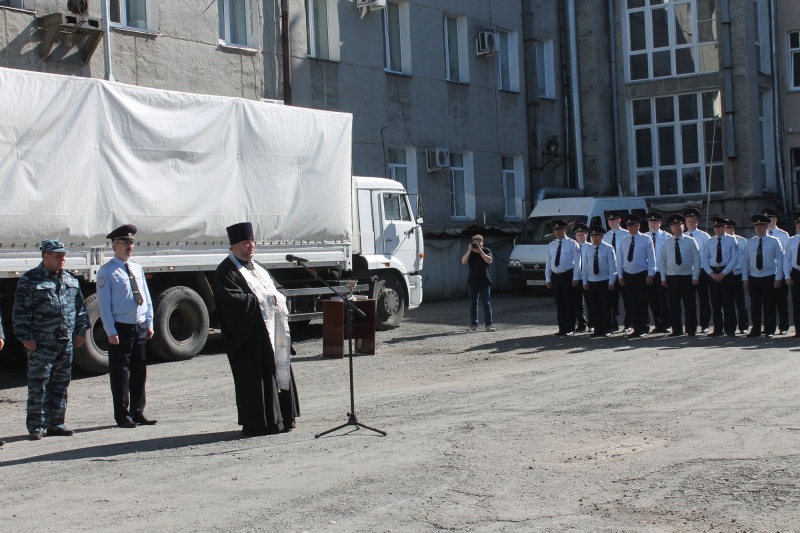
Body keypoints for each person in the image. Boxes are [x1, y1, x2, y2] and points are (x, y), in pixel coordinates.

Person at [213, 222, 300, 436]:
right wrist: (262, 300)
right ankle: (260, 424)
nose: (250, 246)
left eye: (252, 242)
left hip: (272, 333)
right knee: (256, 381)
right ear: (234, 246)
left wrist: (277, 298)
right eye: (245, 243)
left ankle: (283, 418)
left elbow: (276, 289)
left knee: (278, 372)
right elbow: (232, 301)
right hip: (250, 337)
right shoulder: (226, 271)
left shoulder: (257, 267)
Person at [13, 239, 89, 440]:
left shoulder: (71, 280)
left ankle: (56, 423)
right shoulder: (30, 280)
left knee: (61, 383)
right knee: (39, 384)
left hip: (65, 342)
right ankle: (37, 426)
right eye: (57, 255)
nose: (62, 259)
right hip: (41, 343)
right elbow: (20, 312)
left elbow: (80, 309)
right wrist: (25, 337)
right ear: (45, 256)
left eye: (63, 255)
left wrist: (81, 331)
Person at [96, 224, 156, 428]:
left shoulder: (137, 268)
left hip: (139, 325)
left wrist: (149, 322)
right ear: (115, 245)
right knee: (120, 373)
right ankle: (122, 415)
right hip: (121, 328)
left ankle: (138, 411)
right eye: (125, 243)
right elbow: (104, 305)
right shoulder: (107, 271)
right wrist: (110, 331)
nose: (130, 246)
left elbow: (146, 297)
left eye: (131, 242)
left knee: (139, 370)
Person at [742, 215, 784, 338]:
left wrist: (778, 278)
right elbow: (745, 261)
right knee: (755, 304)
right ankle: (756, 329)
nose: (759, 228)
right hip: (754, 277)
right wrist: (745, 278)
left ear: (766, 226)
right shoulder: (750, 242)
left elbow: (780, 261)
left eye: (761, 226)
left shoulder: (774, 241)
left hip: (769, 276)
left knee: (769, 304)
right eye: (756, 226)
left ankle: (769, 329)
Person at [659, 215, 701, 337]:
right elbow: (662, 261)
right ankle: (677, 330)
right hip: (671, 277)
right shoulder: (667, 242)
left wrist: (695, 276)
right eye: (674, 226)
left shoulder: (690, 241)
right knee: (673, 304)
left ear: (683, 227)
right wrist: (663, 277)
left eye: (679, 225)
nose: (677, 228)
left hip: (687, 276)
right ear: (671, 228)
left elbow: (697, 260)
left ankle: (691, 329)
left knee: (689, 304)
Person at [617, 214, 655, 338]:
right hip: (628, 275)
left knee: (642, 302)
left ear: (638, 225)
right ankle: (636, 327)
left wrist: (651, 273)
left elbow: (651, 258)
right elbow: (620, 259)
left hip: (641, 274)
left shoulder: (646, 239)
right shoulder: (624, 240)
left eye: (633, 225)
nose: (631, 228)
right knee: (631, 303)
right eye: (628, 225)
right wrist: (620, 276)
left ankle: (644, 327)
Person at [701, 217, 739, 337]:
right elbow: (705, 258)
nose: (717, 229)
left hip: (726, 273)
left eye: (720, 227)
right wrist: (711, 274)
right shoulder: (710, 241)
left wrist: (723, 273)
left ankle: (730, 329)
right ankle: (718, 329)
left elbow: (735, 258)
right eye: (715, 227)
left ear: (724, 227)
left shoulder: (732, 240)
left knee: (728, 303)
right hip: (713, 273)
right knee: (715, 303)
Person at [546, 220, 580, 336]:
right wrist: (548, 278)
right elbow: (549, 262)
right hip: (556, 276)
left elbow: (577, 262)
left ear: (564, 230)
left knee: (569, 302)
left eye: (560, 229)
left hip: (567, 275)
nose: (557, 232)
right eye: (555, 230)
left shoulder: (572, 243)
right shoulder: (552, 244)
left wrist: (576, 277)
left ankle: (570, 328)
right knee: (559, 303)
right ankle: (562, 328)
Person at [581, 226, 617, 337]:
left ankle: (607, 329)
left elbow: (612, 266)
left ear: (602, 237)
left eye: (597, 236)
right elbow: (585, 266)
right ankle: (598, 329)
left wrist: (612, 281)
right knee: (594, 306)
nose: (595, 239)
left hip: (604, 280)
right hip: (592, 281)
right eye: (593, 236)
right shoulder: (588, 249)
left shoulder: (608, 248)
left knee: (605, 306)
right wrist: (585, 281)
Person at [684, 208, 711, 333]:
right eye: (688, 220)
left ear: (697, 222)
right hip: (687, 272)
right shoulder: (682, 236)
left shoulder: (704, 236)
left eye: (693, 220)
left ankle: (705, 324)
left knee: (704, 299)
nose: (690, 222)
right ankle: (691, 326)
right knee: (689, 300)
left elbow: (708, 254)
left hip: (701, 271)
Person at [764, 208, 790, 334]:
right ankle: (769, 327)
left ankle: (784, 326)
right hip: (767, 273)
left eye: (770, 219)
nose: (768, 222)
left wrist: (784, 275)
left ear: (775, 219)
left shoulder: (783, 235)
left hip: (780, 272)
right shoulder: (762, 235)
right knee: (768, 302)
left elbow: (786, 256)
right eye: (766, 219)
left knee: (781, 301)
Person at [461, 234, 495, 332]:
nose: (478, 245)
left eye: (479, 243)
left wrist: (480, 252)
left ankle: (489, 325)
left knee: (486, 304)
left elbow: (489, 261)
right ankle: (474, 325)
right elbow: (463, 261)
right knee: (473, 304)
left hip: (484, 281)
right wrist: (469, 250)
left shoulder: (486, 251)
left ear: (482, 243)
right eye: (476, 243)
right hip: (472, 282)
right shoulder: (470, 253)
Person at [645, 211, 671, 333]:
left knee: (663, 300)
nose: (653, 224)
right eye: (651, 222)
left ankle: (666, 324)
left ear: (660, 223)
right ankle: (658, 324)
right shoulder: (644, 237)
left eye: (655, 222)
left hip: (662, 273)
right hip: (649, 273)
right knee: (652, 300)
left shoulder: (666, 237)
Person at [603, 212, 629, 332]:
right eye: (609, 221)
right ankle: (614, 323)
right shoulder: (606, 236)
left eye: (614, 220)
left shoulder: (626, 234)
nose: (611, 223)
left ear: (619, 220)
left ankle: (629, 323)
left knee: (628, 298)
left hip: (624, 271)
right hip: (611, 273)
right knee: (612, 300)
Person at [724, 219, 750, 333]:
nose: (726, 230)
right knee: (727, 302)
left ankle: (743, 325)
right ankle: (730, 327)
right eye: (724, 228)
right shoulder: (720, 241)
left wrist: (745, 278)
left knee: (741, 302)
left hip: (739, 273)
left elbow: (746, 261)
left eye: (728, 227)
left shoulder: (742, 241)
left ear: (732, 228)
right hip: (726, 274)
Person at [571, 223, 591, 333]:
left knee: (590, 301)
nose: (580, 237)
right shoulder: (573, 247)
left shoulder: (590, 247)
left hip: (588, 278)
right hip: (576, 278)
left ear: (586, 235)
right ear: (575, 236)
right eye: (578, 235)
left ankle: (592, 323)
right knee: (578, 303)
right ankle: (582, 323)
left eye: (582, 235)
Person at [783, 216, 800, 338]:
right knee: (796, 303)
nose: (799, 226)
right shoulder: (792, 240)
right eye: (798, 223)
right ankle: (798, 331)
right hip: (796, 273)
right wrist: (787, 276)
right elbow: (787, 259)